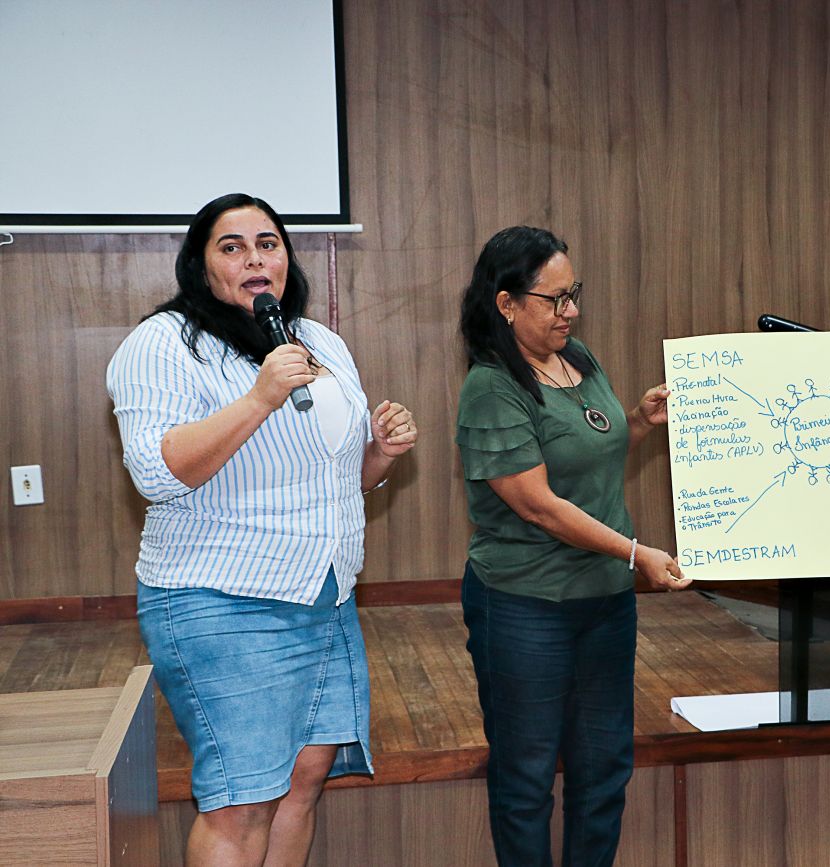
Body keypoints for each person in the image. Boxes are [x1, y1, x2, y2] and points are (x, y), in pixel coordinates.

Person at [106, 193, 418, 866]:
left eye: (268, 243)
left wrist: (381, 453)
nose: (255, 259)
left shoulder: (317, 340)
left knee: (303, 781)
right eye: (233, 246)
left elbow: (336, 477)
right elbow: (157, 472)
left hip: (325, 595)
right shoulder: (163, 344)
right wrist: (259, 398)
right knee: (242, 800)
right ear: (201, 265)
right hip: (221, 599)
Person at [455, 225, 689, 866]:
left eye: (573, 293)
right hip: (525, 605)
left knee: (603, 769)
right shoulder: (491, 387)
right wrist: (636, 554)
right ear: (507, 304)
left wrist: (638, 421)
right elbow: (539, 505)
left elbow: (589, 454)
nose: (571, 311)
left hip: (603, 600)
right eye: (554, 299)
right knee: (527, 778)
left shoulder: (577, 357)